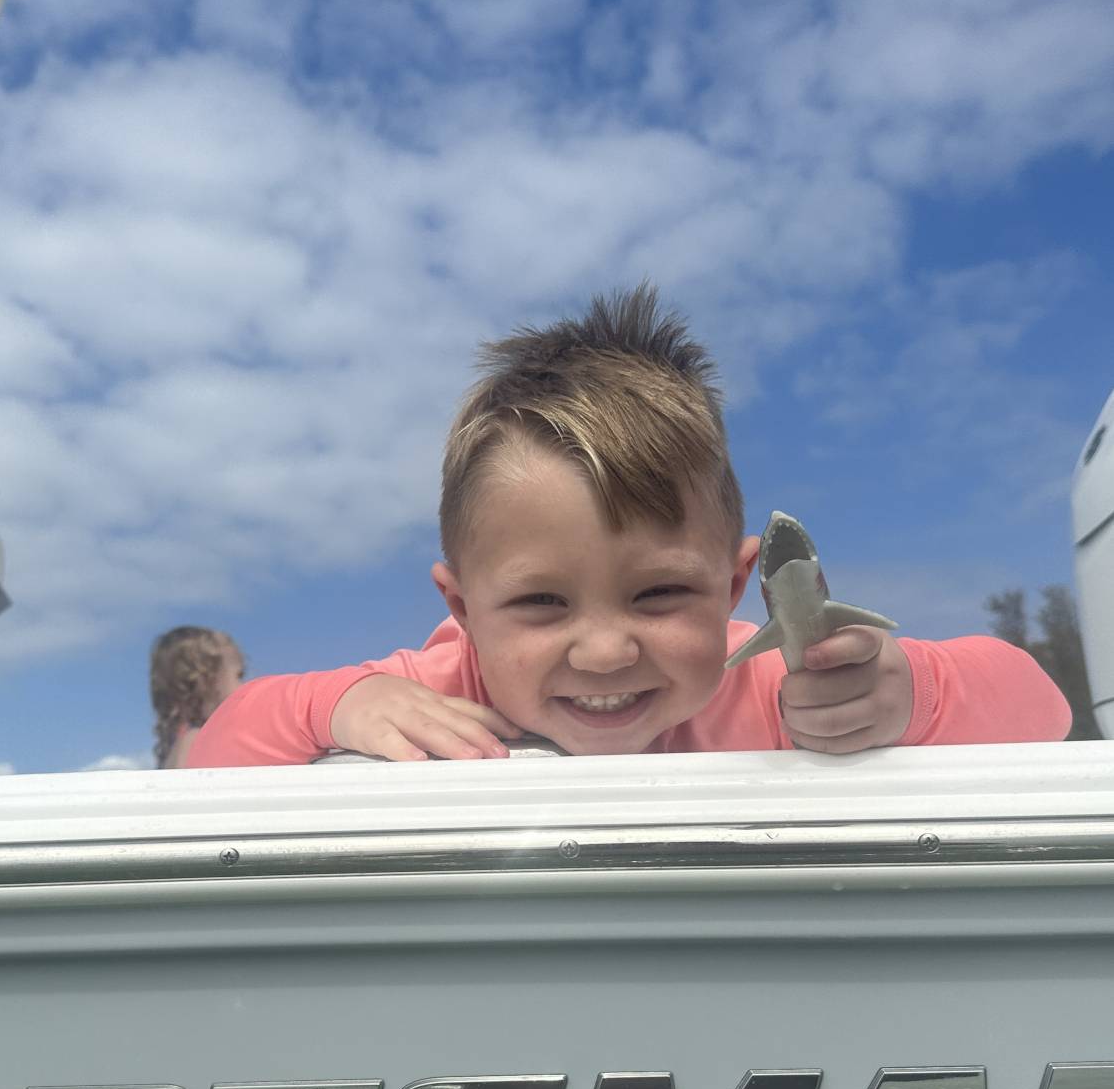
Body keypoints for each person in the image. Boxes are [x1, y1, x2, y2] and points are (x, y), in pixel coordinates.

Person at [187, 286, 1070, 767]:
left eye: (658, 593)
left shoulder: (772, 688)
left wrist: (904, 694)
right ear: (460, 607)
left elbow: (1041, 705)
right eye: (540, 603)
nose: (605, 652)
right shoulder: (433, 696)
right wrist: (337, 705)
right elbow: (214, 756)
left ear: (733, 586)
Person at [150, 626, 245, 769]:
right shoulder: (198, 742)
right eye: (239, 675)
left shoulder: (184, 743)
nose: (245, 685)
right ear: (204, 682)